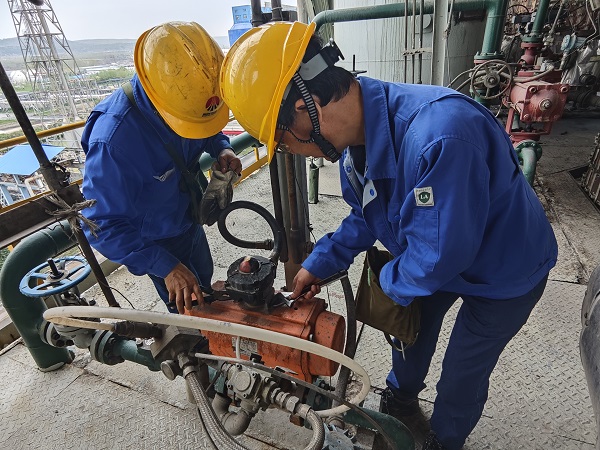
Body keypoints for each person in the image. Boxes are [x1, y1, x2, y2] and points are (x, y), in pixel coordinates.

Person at [220, 21, 558, 450]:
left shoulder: (439, 135)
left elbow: (438, 256)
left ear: (306, 110)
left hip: (505, 269)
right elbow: (368, 217)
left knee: (462, 372)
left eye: (284, 143)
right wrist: (320, 263)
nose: (291, 152)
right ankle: (400, 399)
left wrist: (384, 287)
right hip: (436, 253)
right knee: (408, 333)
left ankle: (445, 440)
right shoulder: (354, 150)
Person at [81, 22, 241, 315]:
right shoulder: (114, 142)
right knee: (188, 306)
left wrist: (222, 147)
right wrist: (165, 266)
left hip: (187, 219)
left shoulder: (188, 97)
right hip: (157, 241)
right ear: (161, 101)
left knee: (203, 284)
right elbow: (100, 224)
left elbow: (203, 125)